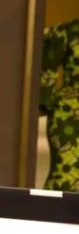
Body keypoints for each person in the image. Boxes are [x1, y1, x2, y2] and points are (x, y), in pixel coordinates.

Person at [40, 18, 79, 191]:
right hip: (69, 116)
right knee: (66, 174)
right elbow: (47, 70)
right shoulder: (69, 30)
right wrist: (45, 102)